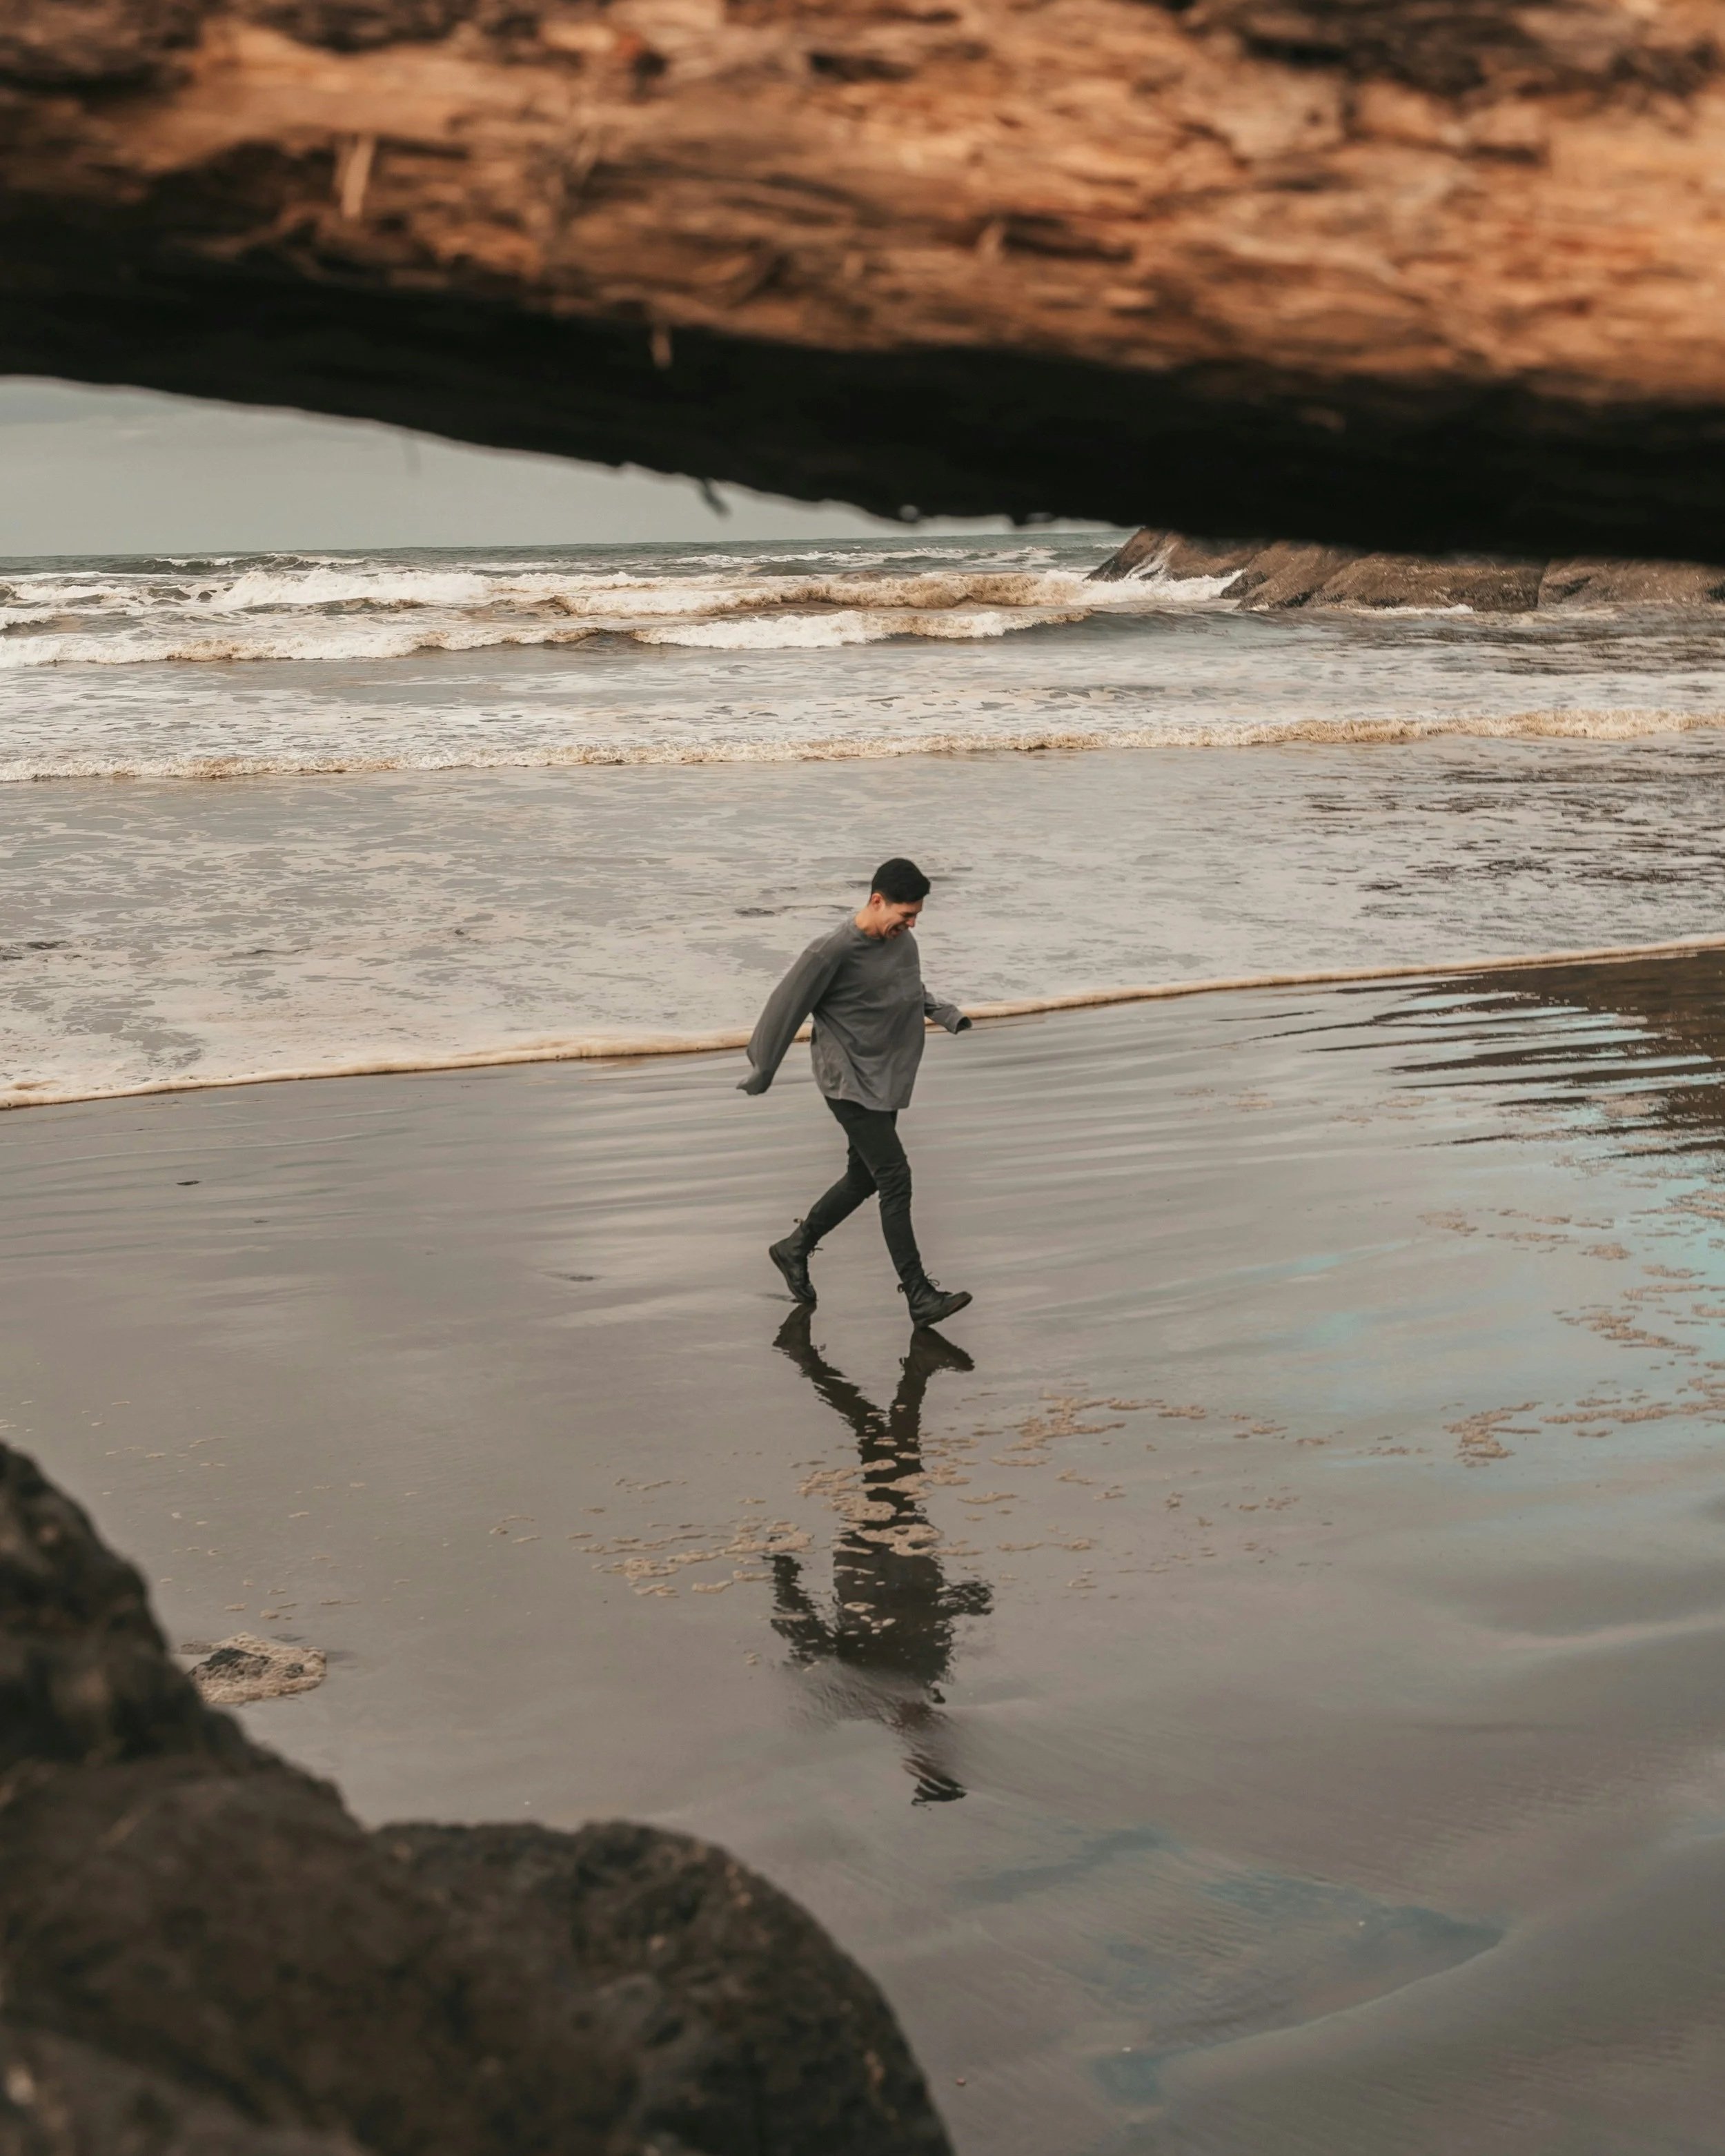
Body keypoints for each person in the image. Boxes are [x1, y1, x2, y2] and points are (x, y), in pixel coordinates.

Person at [738, 857, 973, 1326]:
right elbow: (783, 1009)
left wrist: (944, 1012)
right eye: (905, 915)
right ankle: (919, 1295)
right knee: (894, 1178)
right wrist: (763, 1068)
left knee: (865, 1178)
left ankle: (794, 1248)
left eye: (916, 917)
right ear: (876, 900)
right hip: (847, 1080)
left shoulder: (903, 943)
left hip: (885, 1077)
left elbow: (909, 989)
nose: (910, 925)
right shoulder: (831, 952)